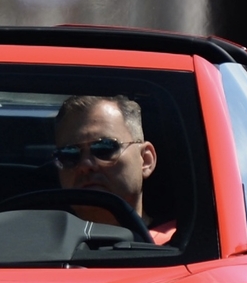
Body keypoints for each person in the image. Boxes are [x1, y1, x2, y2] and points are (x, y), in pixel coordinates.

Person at [50, 94, 179, 244]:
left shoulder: (185, 247)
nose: (85, 165)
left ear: (145, 160)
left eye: (104, 148)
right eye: (69, 154)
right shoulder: (33, 249)